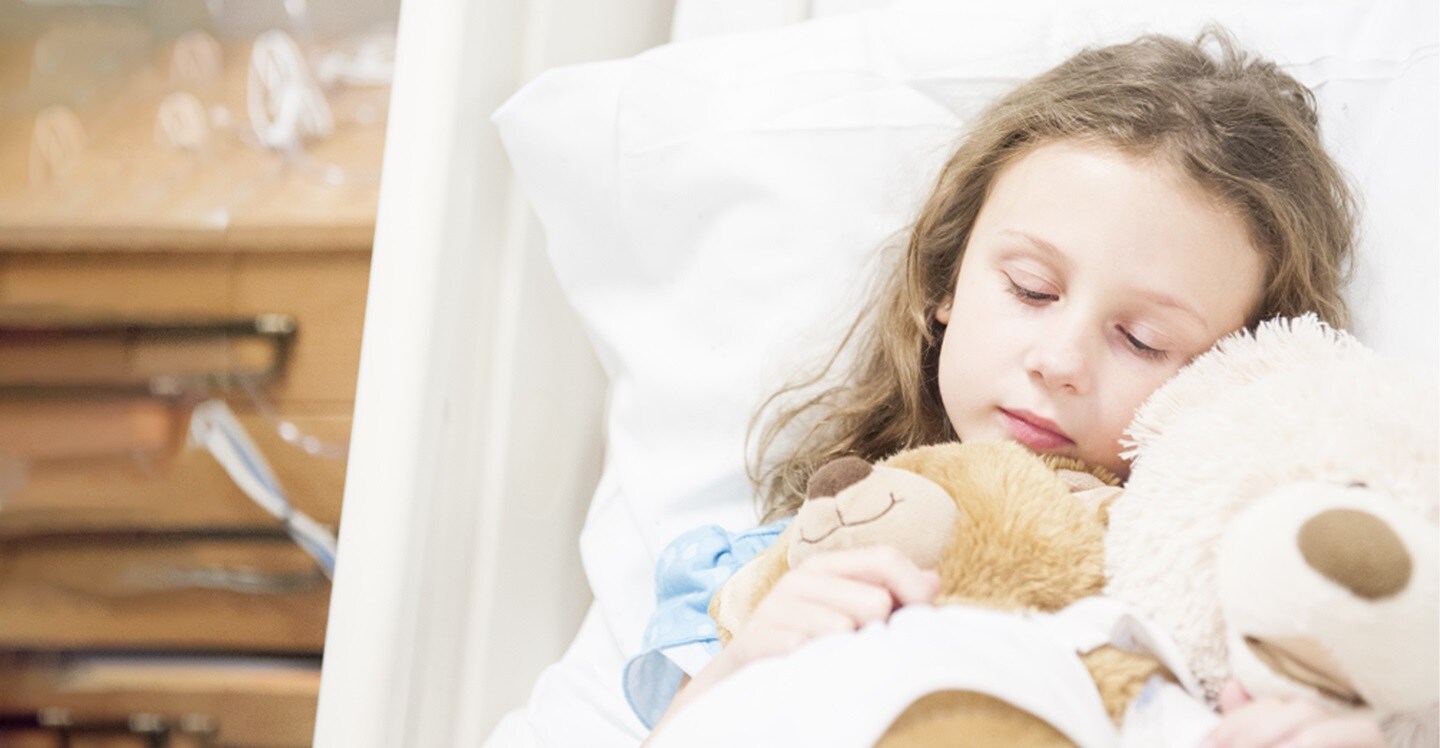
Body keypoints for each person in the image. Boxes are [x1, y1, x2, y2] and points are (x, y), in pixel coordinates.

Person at [630, 27, 1384, 748]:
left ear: (1233, 375)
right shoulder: (773, 570)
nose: (1061, 361)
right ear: (947, 280)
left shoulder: (1230, 624)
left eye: (1142, 340)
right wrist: (739, 668)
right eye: (1030, 290)